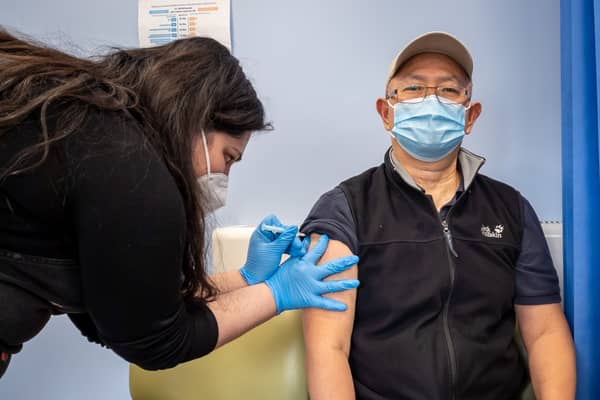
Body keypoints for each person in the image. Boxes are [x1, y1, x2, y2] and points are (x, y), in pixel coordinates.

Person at [0, 29, 360, 379]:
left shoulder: (88, 130)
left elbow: (124, 307)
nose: (224, 177)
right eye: (228, 157)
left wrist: (246, 278)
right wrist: (276, 293)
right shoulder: (130, 168)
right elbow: (155, 341)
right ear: (197, 120)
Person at [300, 32, 576, 400]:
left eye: (448, 91)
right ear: (386, 112)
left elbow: (545, 333)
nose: (431, 100)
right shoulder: (344, 209)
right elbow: (327, 350)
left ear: (470, 115)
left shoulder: (511, 209)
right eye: (413, 88)